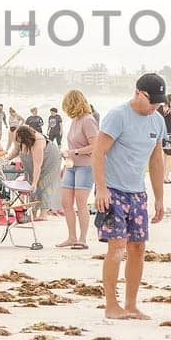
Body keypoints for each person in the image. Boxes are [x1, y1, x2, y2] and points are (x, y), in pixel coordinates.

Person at [93, 73, 170, 320]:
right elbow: (97, 153)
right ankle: (111, 305)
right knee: (117, 247)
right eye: (153, 101)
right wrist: (101, 188)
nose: (156, 106)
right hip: (113, 190)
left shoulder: (158, 120)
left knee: (138, 247)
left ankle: (131, 304)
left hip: (138, 192)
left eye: (160, 102)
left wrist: (159, 197)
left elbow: (156, 159)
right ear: (138, 93)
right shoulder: (118, 116)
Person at [58, 89, 99, 250]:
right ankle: (71, 237)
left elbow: (95, 146)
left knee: (81, 203)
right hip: (71, 166)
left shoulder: (88, 120)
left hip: (86, 166)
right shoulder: (75, 120)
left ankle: (82, 239)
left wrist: (75, 152)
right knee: (66, 202)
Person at [5, 124, 61, 220]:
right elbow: (16, 149)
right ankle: (33, 213)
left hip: (50, 158)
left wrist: (35, 183)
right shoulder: (18, 136)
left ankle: (43, 214)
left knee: (44, 183)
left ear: (24, 138)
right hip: (33, 161)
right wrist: (6, 159)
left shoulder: (37, 141)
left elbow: (37, 165)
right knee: (30, 182)